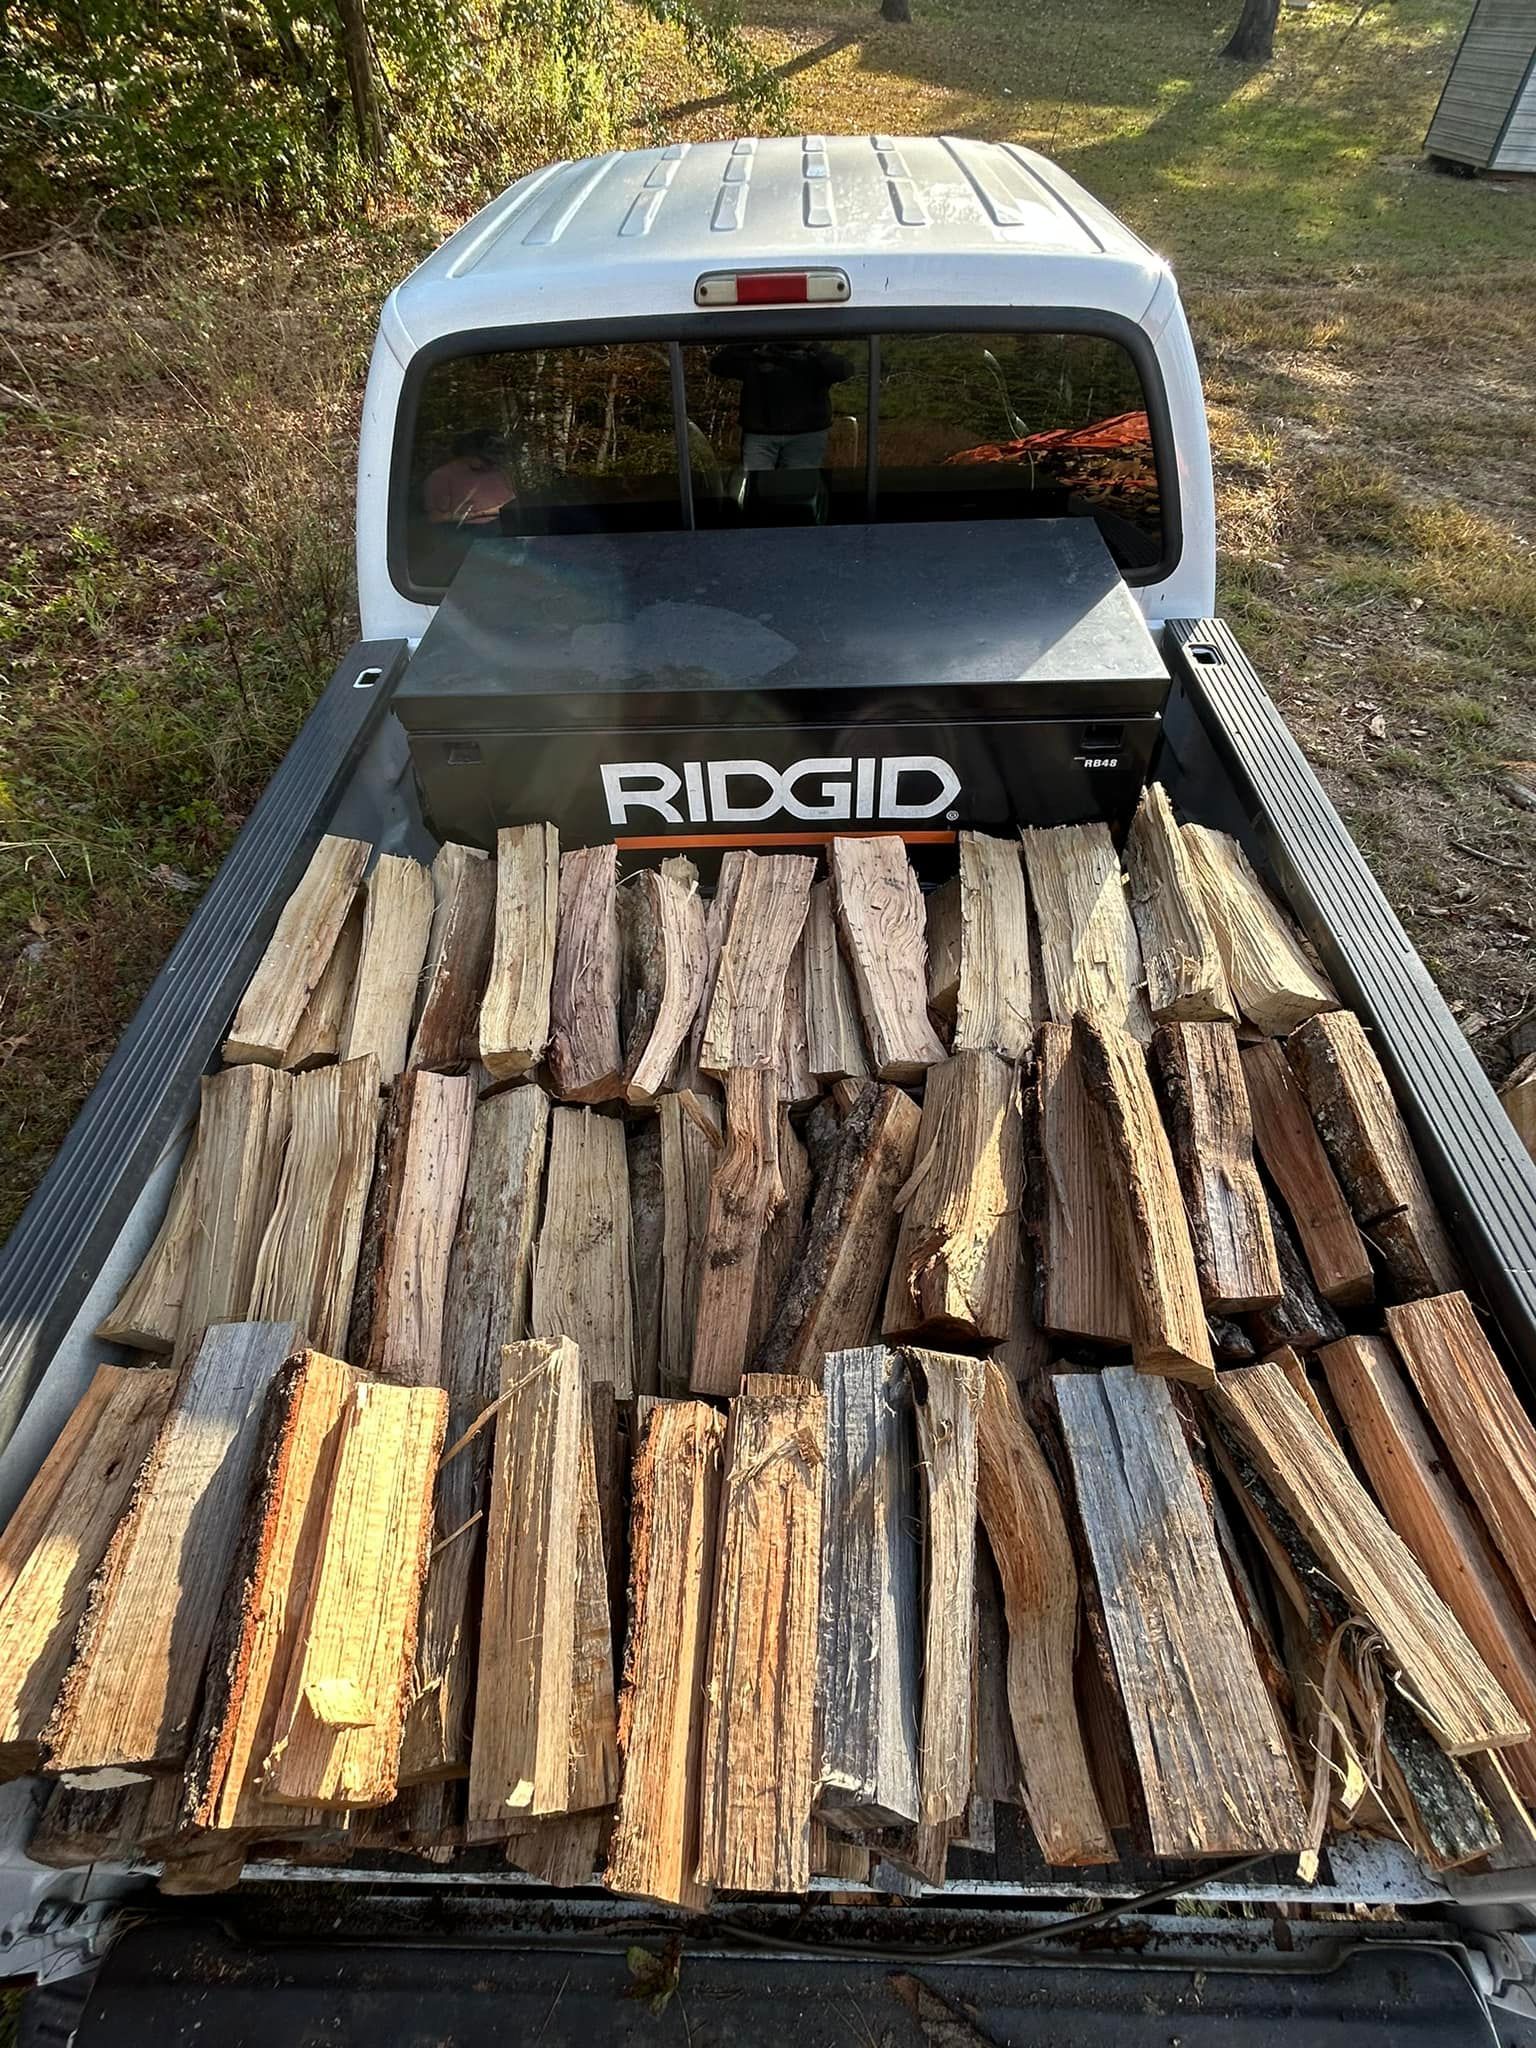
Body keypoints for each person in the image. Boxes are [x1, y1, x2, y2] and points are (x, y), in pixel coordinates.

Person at [707, 341, 853, 471]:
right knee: (758, 486)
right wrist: (753, 341)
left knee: (797, 489)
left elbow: (844, 371)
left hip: (806, 435)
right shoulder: (758, 354)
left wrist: (811, 346)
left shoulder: (815, 357)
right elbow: (718, 365)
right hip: (761, 434)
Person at [423, 428, 517, 526]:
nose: (492, 464)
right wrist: (483, 514)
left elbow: (513, 502)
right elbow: (435, 518)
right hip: (470, 531)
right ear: (469, 452)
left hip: (509, 527)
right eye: (487, 460)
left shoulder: (499, 473)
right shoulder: (441, 477)